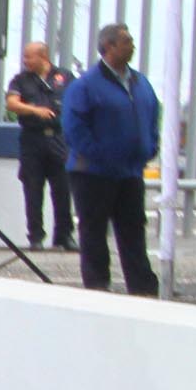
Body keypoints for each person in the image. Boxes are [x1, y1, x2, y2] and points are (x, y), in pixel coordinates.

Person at [61, 22, 162, 296]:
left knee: (133, 231)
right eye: (126, 41)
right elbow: (74, 127)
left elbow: (153, 116)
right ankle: (97, 287)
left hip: (129, 172)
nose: (133, 46)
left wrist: (150, 146)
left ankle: (143, 288)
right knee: (93, 232)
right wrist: (99, 155)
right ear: (108, 47)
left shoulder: (140, 83)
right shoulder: (85, 86)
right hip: (93, 173)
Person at [8, 40, 76, 252]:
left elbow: (77, 101)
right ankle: (35, 236)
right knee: (33, 188)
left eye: (29, 57)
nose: (25, 61)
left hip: (58, 138)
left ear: (43, 57)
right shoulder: (20, 80)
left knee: (63, 189)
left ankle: (64, 235)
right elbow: (12, 103)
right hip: (32, 139)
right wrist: (35, 111)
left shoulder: (64, 77)